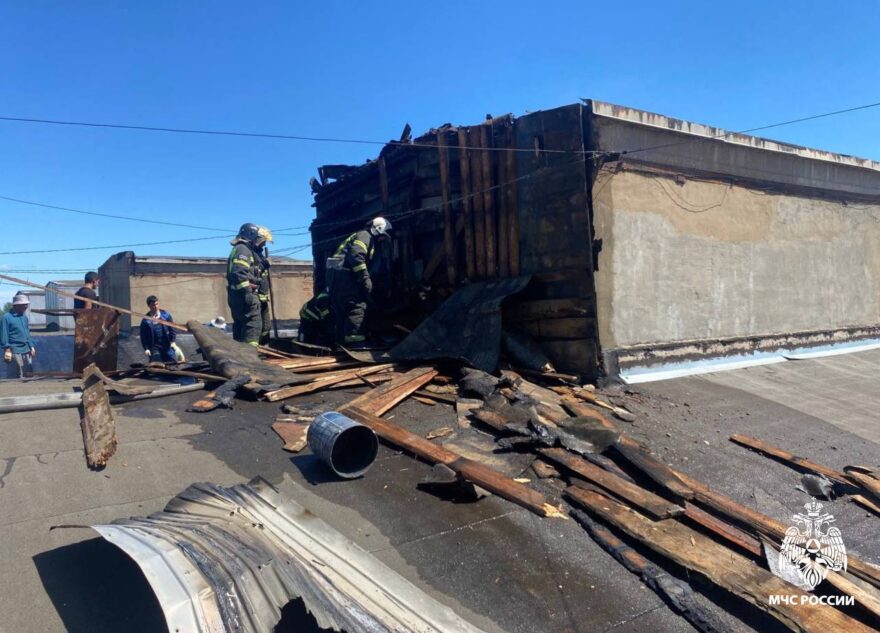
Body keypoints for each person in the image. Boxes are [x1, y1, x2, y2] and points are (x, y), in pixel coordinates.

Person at [326, 217, 391, 348]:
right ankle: (356, 342)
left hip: (336, 276)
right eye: (382, 236)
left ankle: (341, 343)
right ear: (377, 229)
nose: (381, 239)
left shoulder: (362, 236)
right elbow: (356, 256)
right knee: (356, 305)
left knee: (341, 309)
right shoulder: (365, 236)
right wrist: (365, 278)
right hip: (344, 275)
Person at [226, 223, 273, 346]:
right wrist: (248, 293)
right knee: (253, 327)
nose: (263, 244)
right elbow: (238, 274)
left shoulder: (249, 251)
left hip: (242, 295)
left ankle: (245, 354)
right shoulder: (243, 249)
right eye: (261, 240)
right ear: (251, 236)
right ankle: (250, 356)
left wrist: (262, 265)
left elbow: (252, 272)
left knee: (246, 328)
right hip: (244, 295)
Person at [1, 293, 36, 378]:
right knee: (16, 373)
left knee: (28, 372)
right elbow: (3, 334)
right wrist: (7, 349)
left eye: (26, 305)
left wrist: (31, 346)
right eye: (24, 305)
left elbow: (27, 332)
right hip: (14, 350)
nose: (26, 307)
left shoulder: (24, 317)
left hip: (26, 349)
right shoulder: (6, 318)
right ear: (17, 305)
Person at [139, 295, 183, 363]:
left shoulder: (166, 315)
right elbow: (143, 337)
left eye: (157, 304)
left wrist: (173, 342)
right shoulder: (145, 321)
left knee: (173, 363)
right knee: (157, 364)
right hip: (154, 348)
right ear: (149, 306)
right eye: (153, 305)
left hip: (167, 346)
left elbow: (172, 329)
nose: (156, 306)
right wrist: (146, 348)